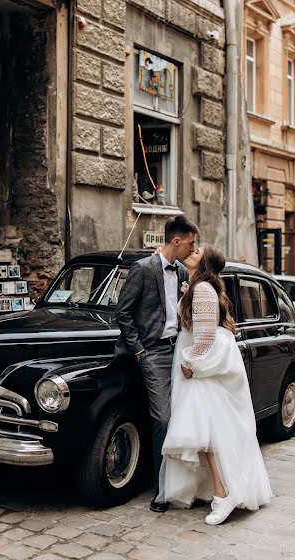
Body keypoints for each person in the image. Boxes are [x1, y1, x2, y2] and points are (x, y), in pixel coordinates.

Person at [156, 244, 272, 525]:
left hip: (203, 368)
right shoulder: (197, 286)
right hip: (203, 365)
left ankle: (223, 493)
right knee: (208, 432)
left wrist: (187, 361)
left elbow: (205, 337)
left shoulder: (203, 290)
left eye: (198, 251)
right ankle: (216, 489)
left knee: (206, 434)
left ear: (205, 262)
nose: (192, 250)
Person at [114, 215, 199, 512]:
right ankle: (161, 489)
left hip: (180, 350)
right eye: (190, 243)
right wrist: (139, 351)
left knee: (184, 417)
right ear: (176, 241)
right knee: (163, 418)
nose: (193, 249)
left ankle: (181, 483)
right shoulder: (142, 269)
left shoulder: (183, 272)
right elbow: (122, 313)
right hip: (153, 353)